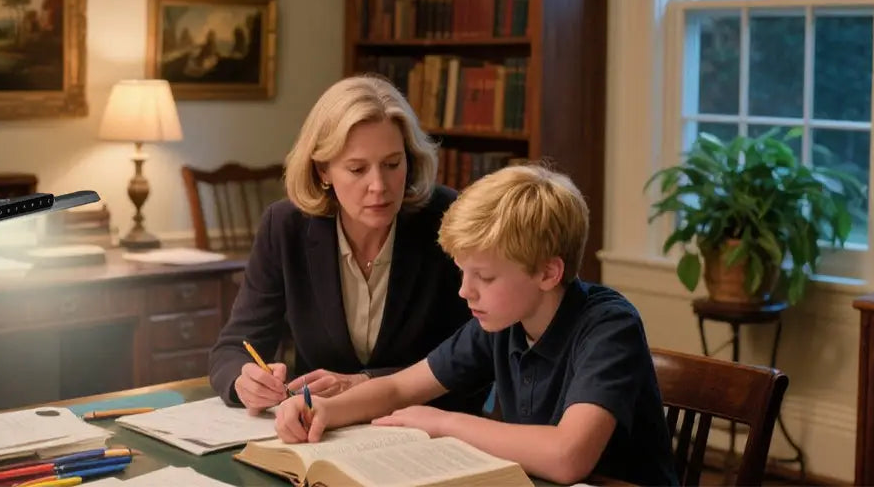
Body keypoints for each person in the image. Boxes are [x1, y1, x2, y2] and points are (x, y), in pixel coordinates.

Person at [272, 164, 680, 486]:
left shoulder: (609, 327)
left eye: (484, 277)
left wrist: (444, 423)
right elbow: (400, 387)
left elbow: (567, 456)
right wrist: (324, 409)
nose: (465, 291)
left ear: (547, 273)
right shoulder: (504, 321)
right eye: (463, 273)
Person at [207, 75, 484, 416]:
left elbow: (478, 358)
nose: (379, 186)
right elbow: (235, 346)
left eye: (392, 164)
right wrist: (244, 380)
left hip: (425, 430)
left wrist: (367, 383)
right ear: (323, 170)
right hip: (320, 434)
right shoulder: (286, 227)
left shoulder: (447, 219)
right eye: (357, 169)